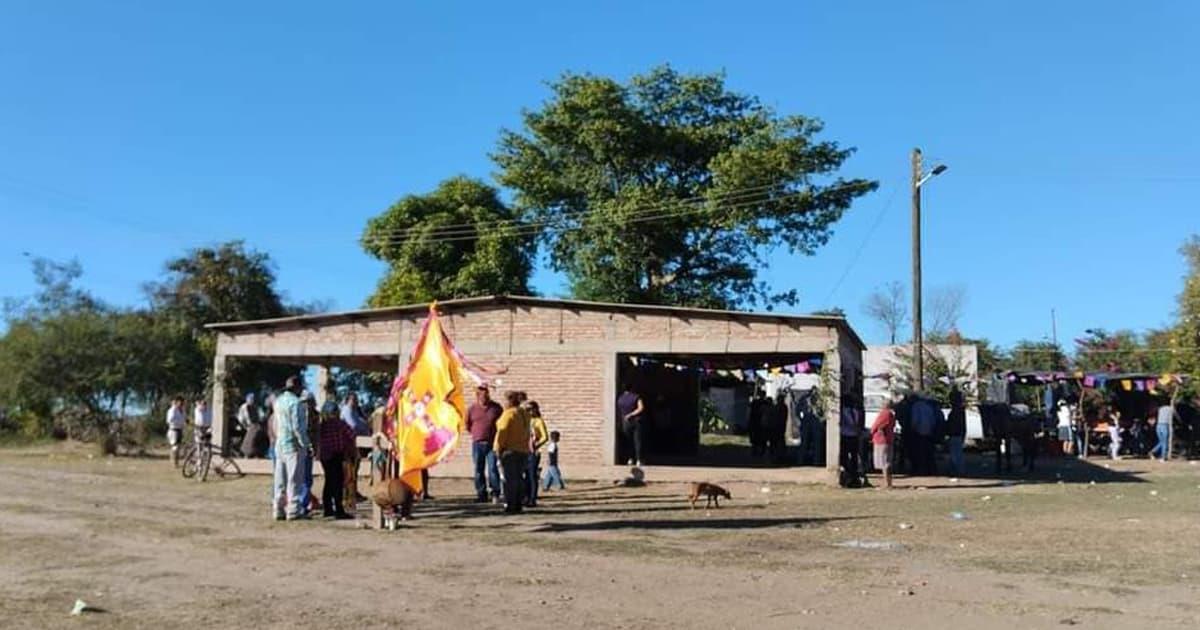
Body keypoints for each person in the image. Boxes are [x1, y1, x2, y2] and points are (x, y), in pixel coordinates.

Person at [272, 376, 312, 520]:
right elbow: (298, 427)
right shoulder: (296, 404)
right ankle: (293, 509)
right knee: (294, 479)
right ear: (297, 388)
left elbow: (275, 424)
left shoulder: (278, 402)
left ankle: (278, 508)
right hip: (293, 445)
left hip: (280, 444)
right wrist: (305, 444)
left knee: (280, 479)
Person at [493, 390, 530, 514]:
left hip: (510, 451)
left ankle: (511, 504)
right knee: (519, 479)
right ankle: (518, 503)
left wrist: (497, 448)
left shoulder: (508, 414)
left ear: (509, 401)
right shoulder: (523, 414)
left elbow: (502, 433)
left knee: (510, 480)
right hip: (523, 450)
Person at [466, 385, 503, 503]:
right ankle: (481, 494)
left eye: (487, 395)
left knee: (493, 468)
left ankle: (495, 493)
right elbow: (467, 424)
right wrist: (476, 433)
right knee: (478, 469)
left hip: (492, 443)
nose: (485, 397)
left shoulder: (496, 408)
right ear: (477, 396)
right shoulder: (472, 409)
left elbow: (501, 423)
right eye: (482, 395)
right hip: (478, 443)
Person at [318, 400, 355, 519]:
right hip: (336, 454)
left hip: (325, 456)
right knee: (338, 482)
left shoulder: (322, 425)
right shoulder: (340, 423)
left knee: (328, 481)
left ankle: (327, 508)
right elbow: (352, 434)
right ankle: (339, 509)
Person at [525, 401, 549, 507]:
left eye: (531, 409)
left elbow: (545, 437)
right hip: (524, 451)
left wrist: (537, 445)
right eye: (527, 410)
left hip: (533, 452)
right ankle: (525, 496)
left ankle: (532, 498)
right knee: (525, 475)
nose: (529, 412)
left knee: (532, 475)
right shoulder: (525, 421)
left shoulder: (539, 421)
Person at [870, 400, 896, 489]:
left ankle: (887, 483)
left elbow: (877, 425)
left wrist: (872, 431)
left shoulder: (885, 413)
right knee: (886, 461)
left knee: (884, 462)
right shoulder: (891, 414)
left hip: (882, 440)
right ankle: (888, 482)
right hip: (888, 439)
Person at [617, 383, 645, 466]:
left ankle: (630, 459)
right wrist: (632, 414)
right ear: (632, 388)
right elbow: (641, 408)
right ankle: (639, 460)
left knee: (628, 441)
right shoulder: (636, 397)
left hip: (625, 422)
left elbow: (618, 411)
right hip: (636, 421)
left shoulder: (620, 399)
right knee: (638, 441)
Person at [838, 395, 862, 487]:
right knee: (847, 455)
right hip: (848, 435)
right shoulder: (849, 411)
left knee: (852, 455)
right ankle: (848, 472)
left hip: (850, 435)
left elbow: (854, 422)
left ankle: (852, 472)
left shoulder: (851, 411)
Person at [946, 387, 967, 476]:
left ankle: (957, 470)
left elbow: (955, 423)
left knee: (955, 453)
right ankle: (956, 470)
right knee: (956, 453)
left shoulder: (956, 411)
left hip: (955, 433)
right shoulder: (960, 410)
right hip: (957, 433)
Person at [165, 397, 187, 467]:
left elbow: (185, 418)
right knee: (175, 447)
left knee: (178, 447)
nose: (182, 404)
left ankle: (176, 461)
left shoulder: (182, 410)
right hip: (173, 430)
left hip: (180, 429)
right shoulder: (172, 410)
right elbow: (169, 420)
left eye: (182, 402)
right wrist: (179, 422)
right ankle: (174, 462)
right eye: (180, 402)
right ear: (177, 402)